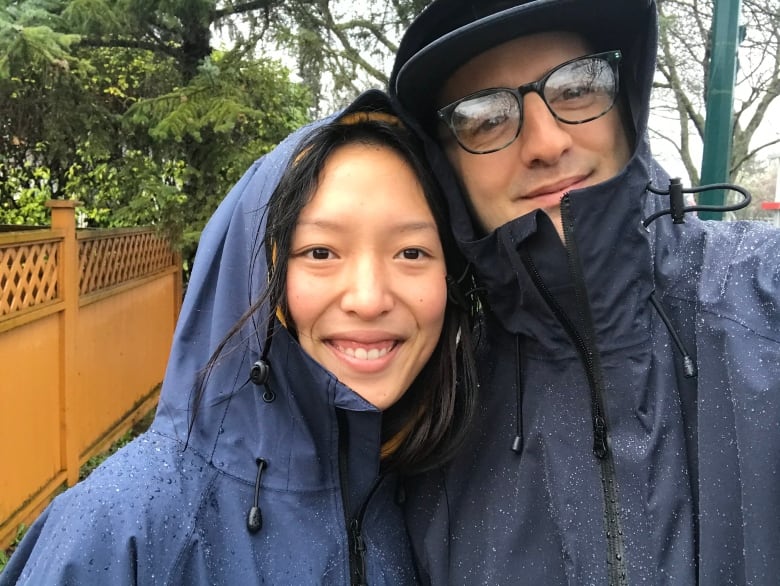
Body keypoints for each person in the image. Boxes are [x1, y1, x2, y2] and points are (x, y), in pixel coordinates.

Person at [0, 90, 479, 585]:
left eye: (412, 253)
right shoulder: (123, 526)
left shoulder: (430, 498)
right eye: (319, 252)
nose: (370, 297)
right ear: (254, 272)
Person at [388, 1, 780, 585]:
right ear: (446, 168)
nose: (546, 142)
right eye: (485, 117)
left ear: (625, 103)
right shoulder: (430, 411)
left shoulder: (766, 299)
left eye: (576, 87)